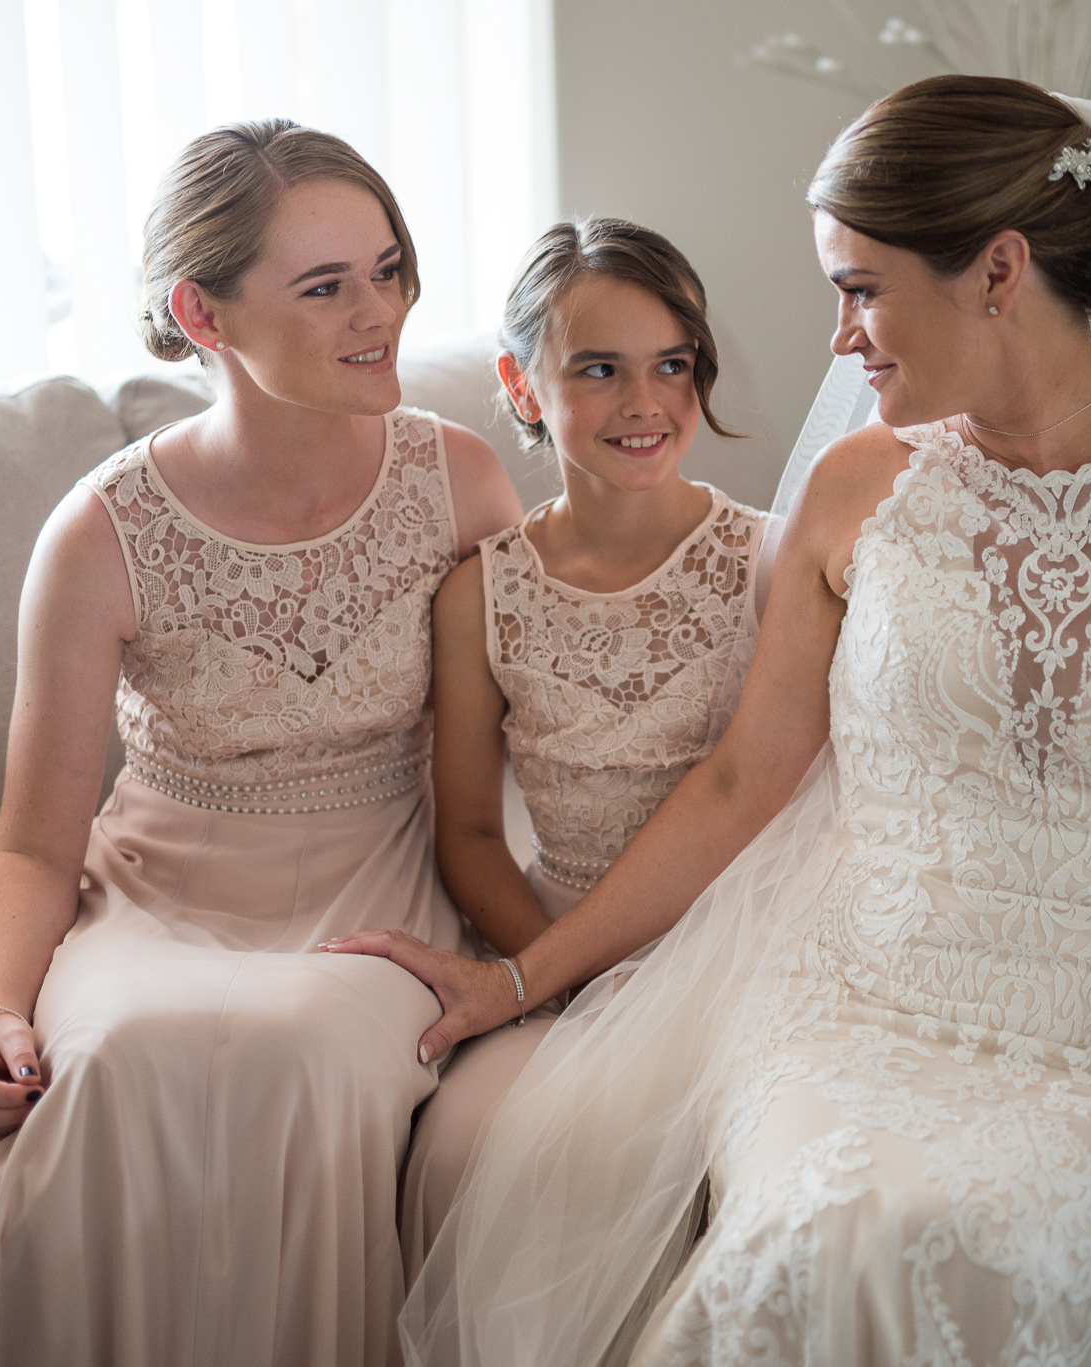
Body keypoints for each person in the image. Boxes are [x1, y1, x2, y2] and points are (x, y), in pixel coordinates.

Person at [332, 75, 1091, 1366]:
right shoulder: (851, 489)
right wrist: (522, 977)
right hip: (853, 1009)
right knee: (816, 1235)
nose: (839, 338)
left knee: (998, 1250)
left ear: (998, 270)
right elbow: (740, 783)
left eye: (861, 287)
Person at [0, 119, 521, 1367]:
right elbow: (29, 846)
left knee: (305, 1046)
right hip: (165, 892)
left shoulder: (460, 480)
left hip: (382, 876)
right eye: (324, 286)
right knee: (108, 1059)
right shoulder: (99, 534)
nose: (375, 312)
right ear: (202, 312)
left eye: (386, 269)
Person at [394, 218, 769, 1279]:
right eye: (598, 370)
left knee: (689, 1155)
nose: (644, 404)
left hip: (732, 945)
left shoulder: (767, 562)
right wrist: (566, 977)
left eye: (671, 366)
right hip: (555, 941)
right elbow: (467, 831)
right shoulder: (480, 593)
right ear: (521, 384)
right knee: (469, 1142)